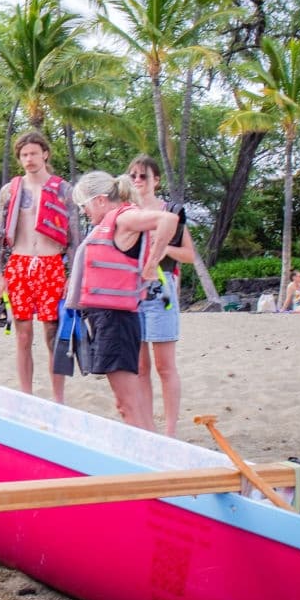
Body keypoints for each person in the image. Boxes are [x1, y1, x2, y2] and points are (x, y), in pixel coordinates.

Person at [68, 171, 178, 431]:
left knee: (126, 405)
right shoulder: (114, 221)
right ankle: (151, 451)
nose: (85, 212)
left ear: (101, 200)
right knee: (132, 401)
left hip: (116, 321)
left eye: (84, 206)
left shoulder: (123, 218)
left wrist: (153, 263)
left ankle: (147, 463)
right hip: (111, 320)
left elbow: (169, 219)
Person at [0, 132, 81, 402]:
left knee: (53, 334)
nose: (29, 159)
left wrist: (72, 275)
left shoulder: (63, 190)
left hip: (51, 263)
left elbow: (75, 239)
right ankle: (26, 396)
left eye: (33, 153)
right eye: (24, 155)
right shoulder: (10, 190)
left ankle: (58, 399)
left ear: (45, 154)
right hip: (18, 264)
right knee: (22, 335)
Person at [126, 154, 193, 437]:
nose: (138, 181)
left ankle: (170, 430)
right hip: (131, 290)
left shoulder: (172, 212)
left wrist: (165, 250)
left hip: (162, 289)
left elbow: (189, 255)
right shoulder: (127, 212)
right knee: (140, 366)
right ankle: (148, 428)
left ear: (156, 180)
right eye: (134, 176)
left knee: (165, 365)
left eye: (144, 176)